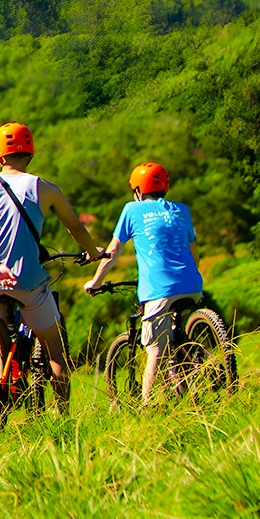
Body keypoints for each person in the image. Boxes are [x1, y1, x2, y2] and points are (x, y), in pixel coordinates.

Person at [0, 122, 103, 415]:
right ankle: (62, 416)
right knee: (55, 347)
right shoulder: (45, 188)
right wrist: (92, 252)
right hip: (28, 282)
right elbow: (75, 227)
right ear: (31, 154)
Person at [85, 161, 204, 403]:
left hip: (158, 290)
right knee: (178, 332)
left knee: (155, 352)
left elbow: (114, 251)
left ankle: (147, 408)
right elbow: (195, 253)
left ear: (138, 190)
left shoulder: (132, 210)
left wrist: (95, 282)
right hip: (192, 284)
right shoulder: (182, 210)